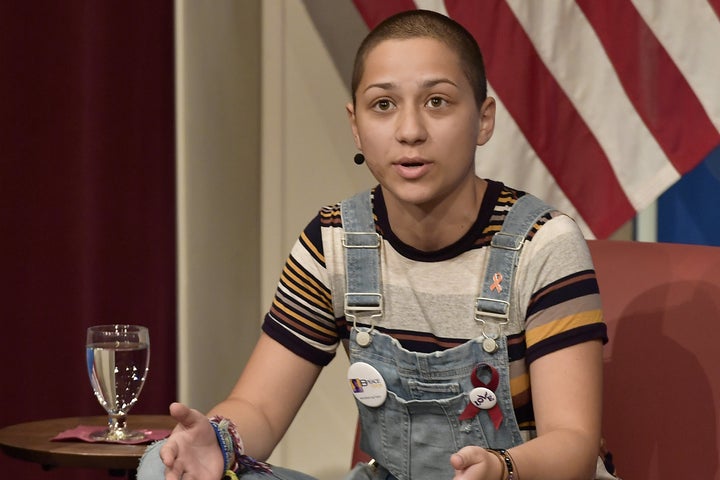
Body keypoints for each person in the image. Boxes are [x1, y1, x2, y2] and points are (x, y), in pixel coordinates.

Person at [138, 9, 617, 480]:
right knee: (161, 465)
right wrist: (218, 441)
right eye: (383, 105)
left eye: (438, 102)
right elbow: (259, 407)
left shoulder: (542, 244)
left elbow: (573, 446)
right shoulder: (334, 242)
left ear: (484, 118)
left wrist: (500, 468)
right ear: (356, 125)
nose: (410, 132)